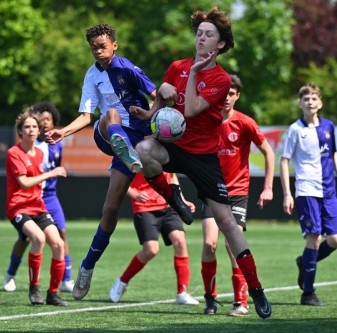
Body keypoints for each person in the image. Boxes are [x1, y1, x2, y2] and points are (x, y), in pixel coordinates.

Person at [130, 7, 272, 320]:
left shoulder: (220, 79)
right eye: (199, 33)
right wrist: (151, 110)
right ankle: (174, 198)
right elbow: (160, 108)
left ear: (220, 45)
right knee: (142, 150)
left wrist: (194, 72)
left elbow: (191, 110)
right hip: (174, 147)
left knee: (228, 226)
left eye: (208, 34)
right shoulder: (176, 66)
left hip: (205, 157)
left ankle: (256, 288)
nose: (201, 38)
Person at [44, 23, 157, 300]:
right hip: (113, 137)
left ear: (114, 45)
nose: (98, 51)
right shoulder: (91, 75)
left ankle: (87, 266)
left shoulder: (129, 69)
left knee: (115, 206)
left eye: (102, 46)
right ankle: (87, 267)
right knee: (109, 115)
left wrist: (154, 116)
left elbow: (157, 98)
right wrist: (63, 132)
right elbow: (86, 116)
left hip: (140, 138)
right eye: (94, 47)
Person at [200, 74, 275, 316]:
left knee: (233, 245)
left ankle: (241, 302)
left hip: (238, 192)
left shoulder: (245, 123)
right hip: (212, 191)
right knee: (209, 244)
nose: (227, 97)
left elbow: (268, 152)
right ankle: (210, 298)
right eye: (224, 92)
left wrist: (268, 187)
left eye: (231, 93)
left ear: (237, 96)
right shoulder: (206, 120)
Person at [280, 83, 337, 307]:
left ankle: (305, 262)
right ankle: (308, 293)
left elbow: (334, 154)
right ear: (300, 103)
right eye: (306, 99)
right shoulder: (295, 129)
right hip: (307, 190)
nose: (310, 102)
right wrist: (287, 194)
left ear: (320, 103)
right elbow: (284, 160)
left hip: (329, 190)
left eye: (314, 99)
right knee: (314, 237)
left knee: (336, 239)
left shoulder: (329, 126)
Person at [3, 102, 74, 293]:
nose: (43, 124)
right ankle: (12, 276)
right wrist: (50, 175)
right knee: (29, 239)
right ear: (21, 130)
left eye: (46, 120)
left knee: (60, 237)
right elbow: (25, 181)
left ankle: (65, 280)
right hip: (24, 201)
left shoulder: (54, 147)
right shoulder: (23, 150)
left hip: (46, 198)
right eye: (35, 123)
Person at [109, 172, 198, 305]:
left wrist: (182, 201)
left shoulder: (169, 151)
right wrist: (135, 194)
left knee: (180, 241)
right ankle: (122, 281)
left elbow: (172, 176)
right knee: (151, 250)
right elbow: (117, 176)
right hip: (145, 207)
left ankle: (182, 292)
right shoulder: (133, 152)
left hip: (169, 203)